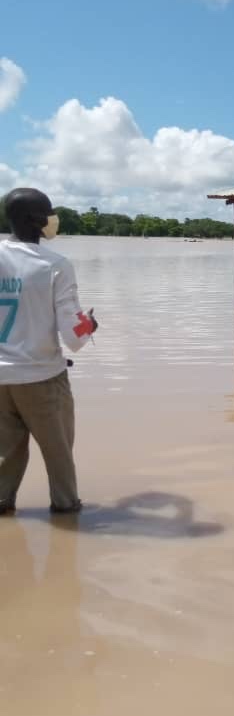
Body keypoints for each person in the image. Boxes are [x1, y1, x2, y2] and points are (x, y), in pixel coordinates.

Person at [0, 188, 97, 515]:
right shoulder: (55, 265)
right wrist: (91, 325)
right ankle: (67, 514)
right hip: (41, 376)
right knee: (58, 454)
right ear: (34, 220)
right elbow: (75, 336)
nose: (52, 217)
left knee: (6, 454)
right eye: (48, 212)